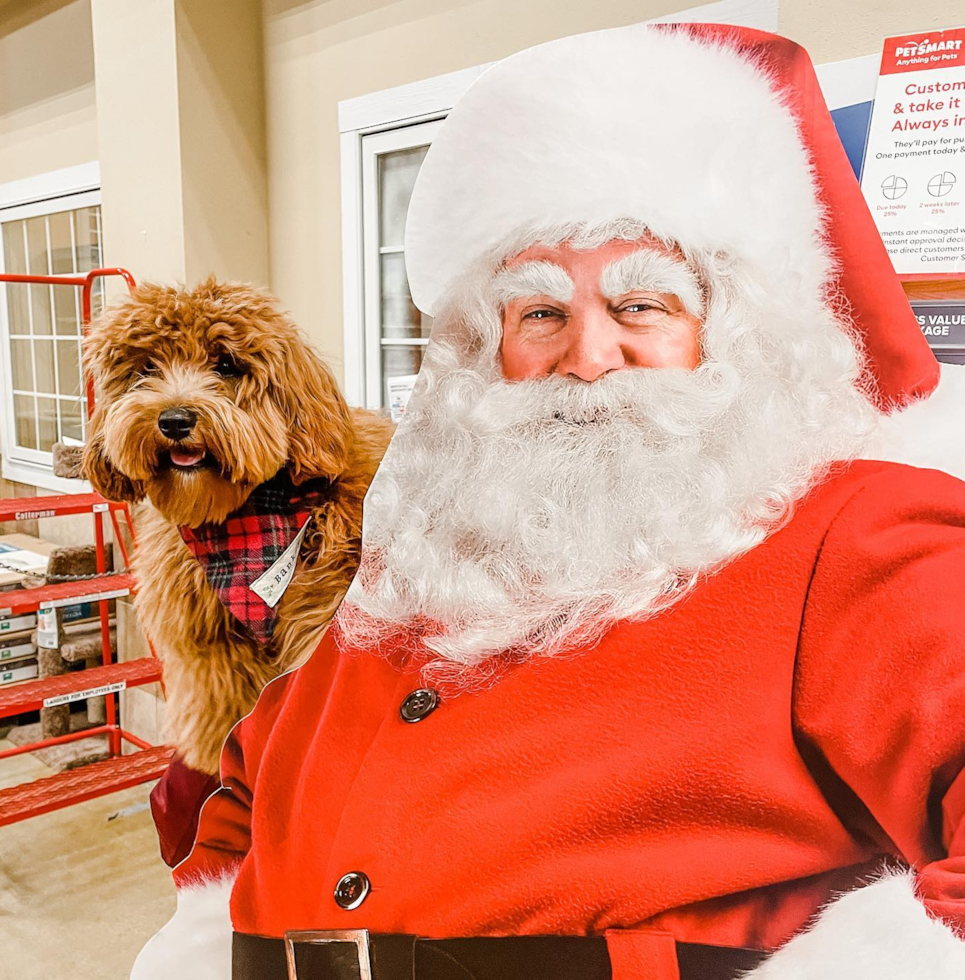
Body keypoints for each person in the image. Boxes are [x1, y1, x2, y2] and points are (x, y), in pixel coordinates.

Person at [133, 23, 965, 980]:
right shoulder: (441, 546)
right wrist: (201, 932)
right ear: (489, 345)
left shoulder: (863, 532)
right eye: (539, 312)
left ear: (737, 333)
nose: (586, 356)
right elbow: (258, 769)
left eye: (640, 305)